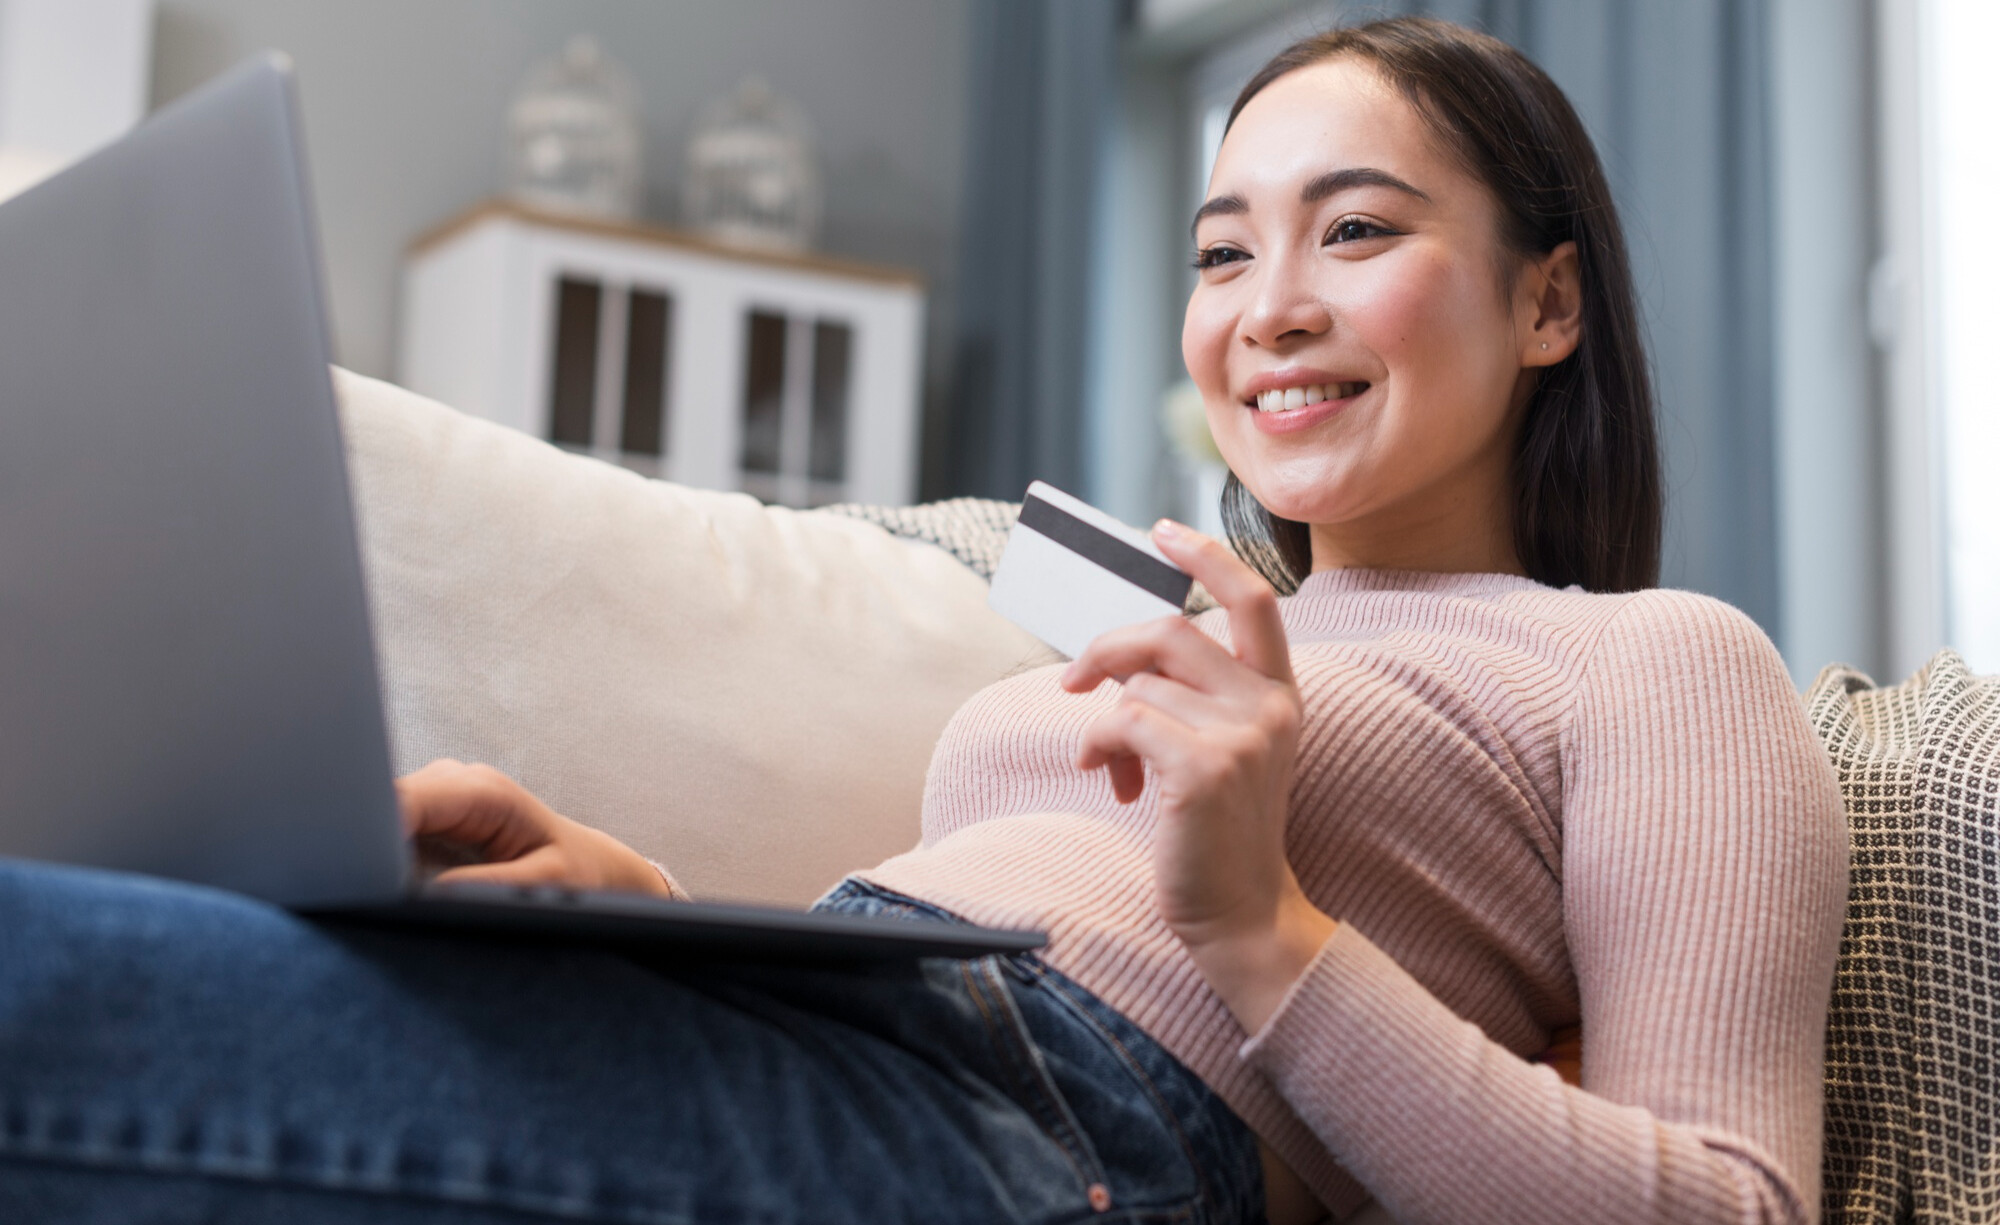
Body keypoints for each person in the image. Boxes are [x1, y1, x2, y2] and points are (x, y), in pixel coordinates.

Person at [0, 16, 1846, 1225]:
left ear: (1549, 305)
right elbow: (971, 928)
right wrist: (646, 918)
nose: (1268, 304)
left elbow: (1735, 1204)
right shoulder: (1180, 626)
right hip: (842, 1038)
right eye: (1222, 250)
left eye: (1354, 232)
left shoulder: (1660, 662)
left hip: (1070, 1133)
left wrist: (1265, 929)